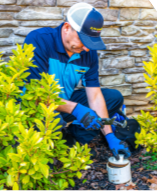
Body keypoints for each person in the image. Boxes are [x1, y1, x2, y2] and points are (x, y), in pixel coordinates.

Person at [23, 2, 131, 160]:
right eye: (83, 40)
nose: (87, 48)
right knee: (54, 119)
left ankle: (74, 139)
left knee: (113, 98)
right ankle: (47, 151)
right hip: (37, 107)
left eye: (90, 42)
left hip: (65, 103)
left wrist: (110, 137)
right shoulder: (39, 41)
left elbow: (94, 97)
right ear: (67, 28)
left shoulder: (88, 53)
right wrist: (78, 110)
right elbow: (36, 95)